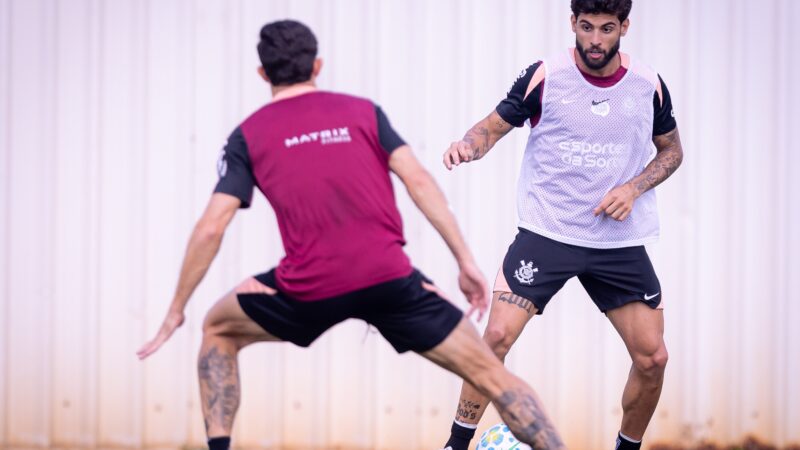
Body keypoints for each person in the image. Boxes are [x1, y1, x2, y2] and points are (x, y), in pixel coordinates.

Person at [137, 20, 565, 450]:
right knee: (491, 373)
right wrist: (464, 262)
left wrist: (177, 308)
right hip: (389, 280)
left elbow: (212, 226)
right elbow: (419, 181)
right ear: (317, 65)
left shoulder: (247, 136)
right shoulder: (363, 113)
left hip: (307, 287)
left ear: (263, 74)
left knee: (217, 328)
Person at [440, 1, 683, 449]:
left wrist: (632, 188)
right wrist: (467, 146)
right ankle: (455, 445)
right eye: (586, 27)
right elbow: (492, 128)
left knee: (653, 358)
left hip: (618, 244)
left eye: (607, 29)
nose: (594, 40)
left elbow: (671, 151)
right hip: (548, 234)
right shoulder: (546, 75)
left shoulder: (648, 84)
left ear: (624, 27)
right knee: (493, 338)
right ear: (572, 23)